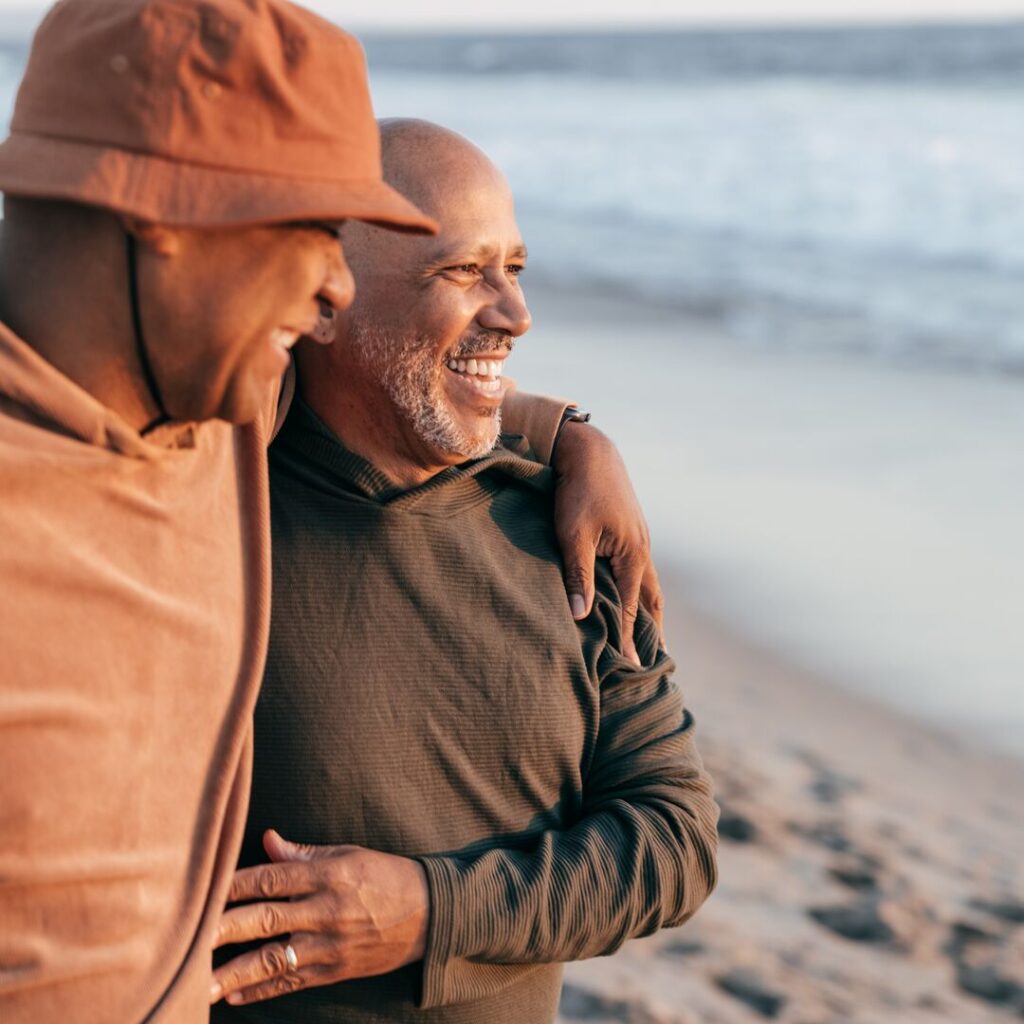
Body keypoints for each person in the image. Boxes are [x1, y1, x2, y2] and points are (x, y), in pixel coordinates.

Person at [0, 6, 660, 1024]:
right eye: (314, 231)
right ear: (164, 222)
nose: (335, 289)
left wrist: (563, 429)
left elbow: (389, 378)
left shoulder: (214, 412)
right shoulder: (213, 430)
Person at [209, 120, 718, 1024]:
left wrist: (432, 914)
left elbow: (673, 841)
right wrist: (562, 424)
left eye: (514, 268)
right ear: (324, 297)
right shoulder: (207, 520)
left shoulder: (570, 537)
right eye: (462, 271)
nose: (515, 313)